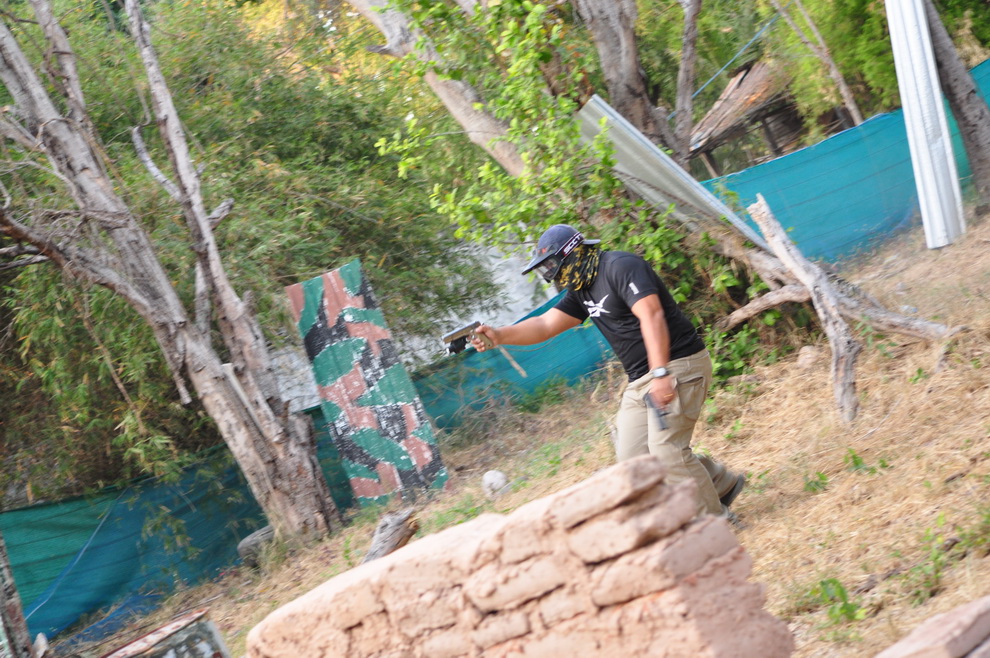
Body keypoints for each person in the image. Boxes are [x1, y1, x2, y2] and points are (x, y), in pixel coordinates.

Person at [471, 224, 745, 517]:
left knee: (666, 449)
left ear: (571, 253)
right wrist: (499, 335)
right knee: (635, 460)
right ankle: (720, 483)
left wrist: (661, 374)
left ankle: (713, 525)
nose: (551, 274)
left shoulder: (620, 266)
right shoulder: (582, 288)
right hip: (640, 380)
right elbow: (545, 324)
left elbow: (651, 315)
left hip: (677, 364)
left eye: (551, 265)